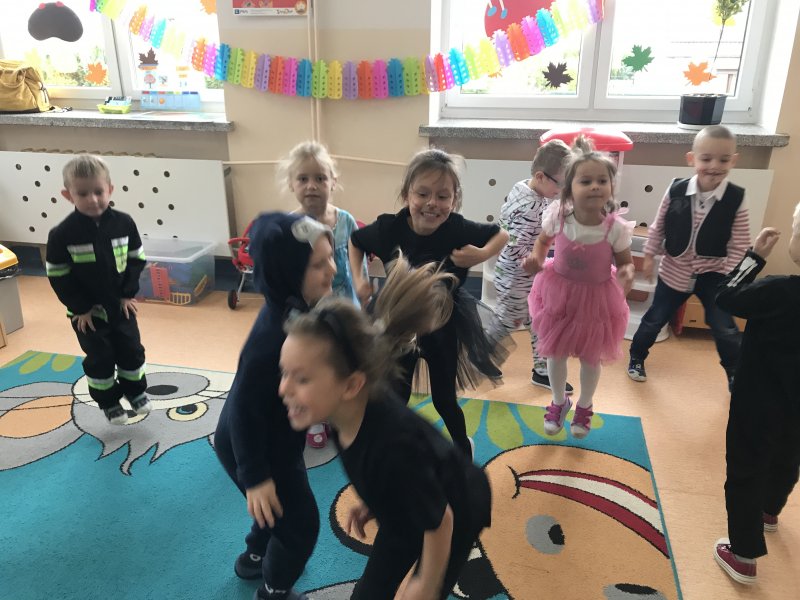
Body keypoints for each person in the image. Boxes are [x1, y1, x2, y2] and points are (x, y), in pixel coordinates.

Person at [279, 256, 492, 600]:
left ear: (351, 385)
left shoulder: (394, 446)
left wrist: (426, 583)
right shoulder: (341, 412)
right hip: (406, 504)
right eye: (284, 373)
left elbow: (441, 520)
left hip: (458, 504)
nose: (283, 389)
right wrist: (374, 500)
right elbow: (381, 470)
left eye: (301, 379)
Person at [349, 148, 510, 457]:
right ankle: (395, 449)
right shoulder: (389, 229)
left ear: (454, 199)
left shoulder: (458, 228)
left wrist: (481, 254)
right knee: (397, 393)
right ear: (406, 195)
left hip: (444, 323)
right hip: (399, 322)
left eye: (443, 196)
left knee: (444, 400)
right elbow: (356, 242)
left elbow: (501, 234)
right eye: (422, 194)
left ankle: (462, 450)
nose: (432, 203)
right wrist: (359, 279)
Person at [214, 212, 336, 600]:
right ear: (288, 274)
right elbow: (243, 410)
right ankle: (274, 591)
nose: (332, 269)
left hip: (275, 435)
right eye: (318, 265)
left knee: (275, 510)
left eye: (331, 257)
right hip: (252, 444)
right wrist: (255, 476)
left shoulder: (296, 308)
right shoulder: (271, 340)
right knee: (300, 525)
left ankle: (255, 555)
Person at [523, 136, 634, 439]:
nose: (595, 186)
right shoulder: (559, 216)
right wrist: (536, 259)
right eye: (586, 181)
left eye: (602, 181)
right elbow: (543, 241)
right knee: (555, 353)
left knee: (590, 356)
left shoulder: (614, 228)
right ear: (569, 187)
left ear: (611, 187)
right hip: (559, 294)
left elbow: (625, 261)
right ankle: (559, 401)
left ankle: (585, 405)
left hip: (596, 298)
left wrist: (627, 273)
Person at [713, 212, 800, 585]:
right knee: (789, 456)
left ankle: (743, 555)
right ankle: (769, 511)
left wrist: (754, 257)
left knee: (746, 467)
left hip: (758, 400)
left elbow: (726, 297)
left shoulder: (779, 291)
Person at [627, 125, 749, 391]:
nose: (714, 166)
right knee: (655, 318)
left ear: (733, 161)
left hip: (714, 276)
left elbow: (740, 243)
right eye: (706, 158)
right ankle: (636, 357)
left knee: (724, 327)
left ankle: (735, 373)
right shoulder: (676, 190)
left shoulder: (735, 199)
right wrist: (649, 255)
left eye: (723, 160)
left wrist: (728, 274)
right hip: (675, 271)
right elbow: (658, 226)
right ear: (692, 159)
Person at [45, 154, 151, 425]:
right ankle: (109, 402)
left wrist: (127, 293)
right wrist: (80, 308)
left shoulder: (124, 223)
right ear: (68, 195)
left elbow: (136, 259)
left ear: (110, 190)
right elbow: (58, 276)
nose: (92, 199)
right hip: (87, 314)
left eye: (98, 192)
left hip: (121, 305)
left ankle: (135, 392)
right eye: (83, 194)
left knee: (132, 351)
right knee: (100, 358)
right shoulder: (62, 234)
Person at [280, 140, 367, 449]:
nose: (312, 186)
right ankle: (316, 415)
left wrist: (362, 288)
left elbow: (357, 260)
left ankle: (343, 410)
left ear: (333, 182)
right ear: (291, 184)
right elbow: (286, 275)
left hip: (344, 307)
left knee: (343, 359)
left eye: (320, 178)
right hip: (308, 313)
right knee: (313, 364)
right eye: (303, 178)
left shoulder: (345, 221)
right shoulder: (291, 226)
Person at [486, 139, 575, 393]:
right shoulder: (531, 206)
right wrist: (537, 263)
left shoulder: (523, 187)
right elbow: (514, 244)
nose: (561, 190)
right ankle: (481, 355)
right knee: (508, 320)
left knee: (538, 321)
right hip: (517, 275)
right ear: (540, 176)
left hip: (518, 274)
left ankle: (542, 370)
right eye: (560, 184)